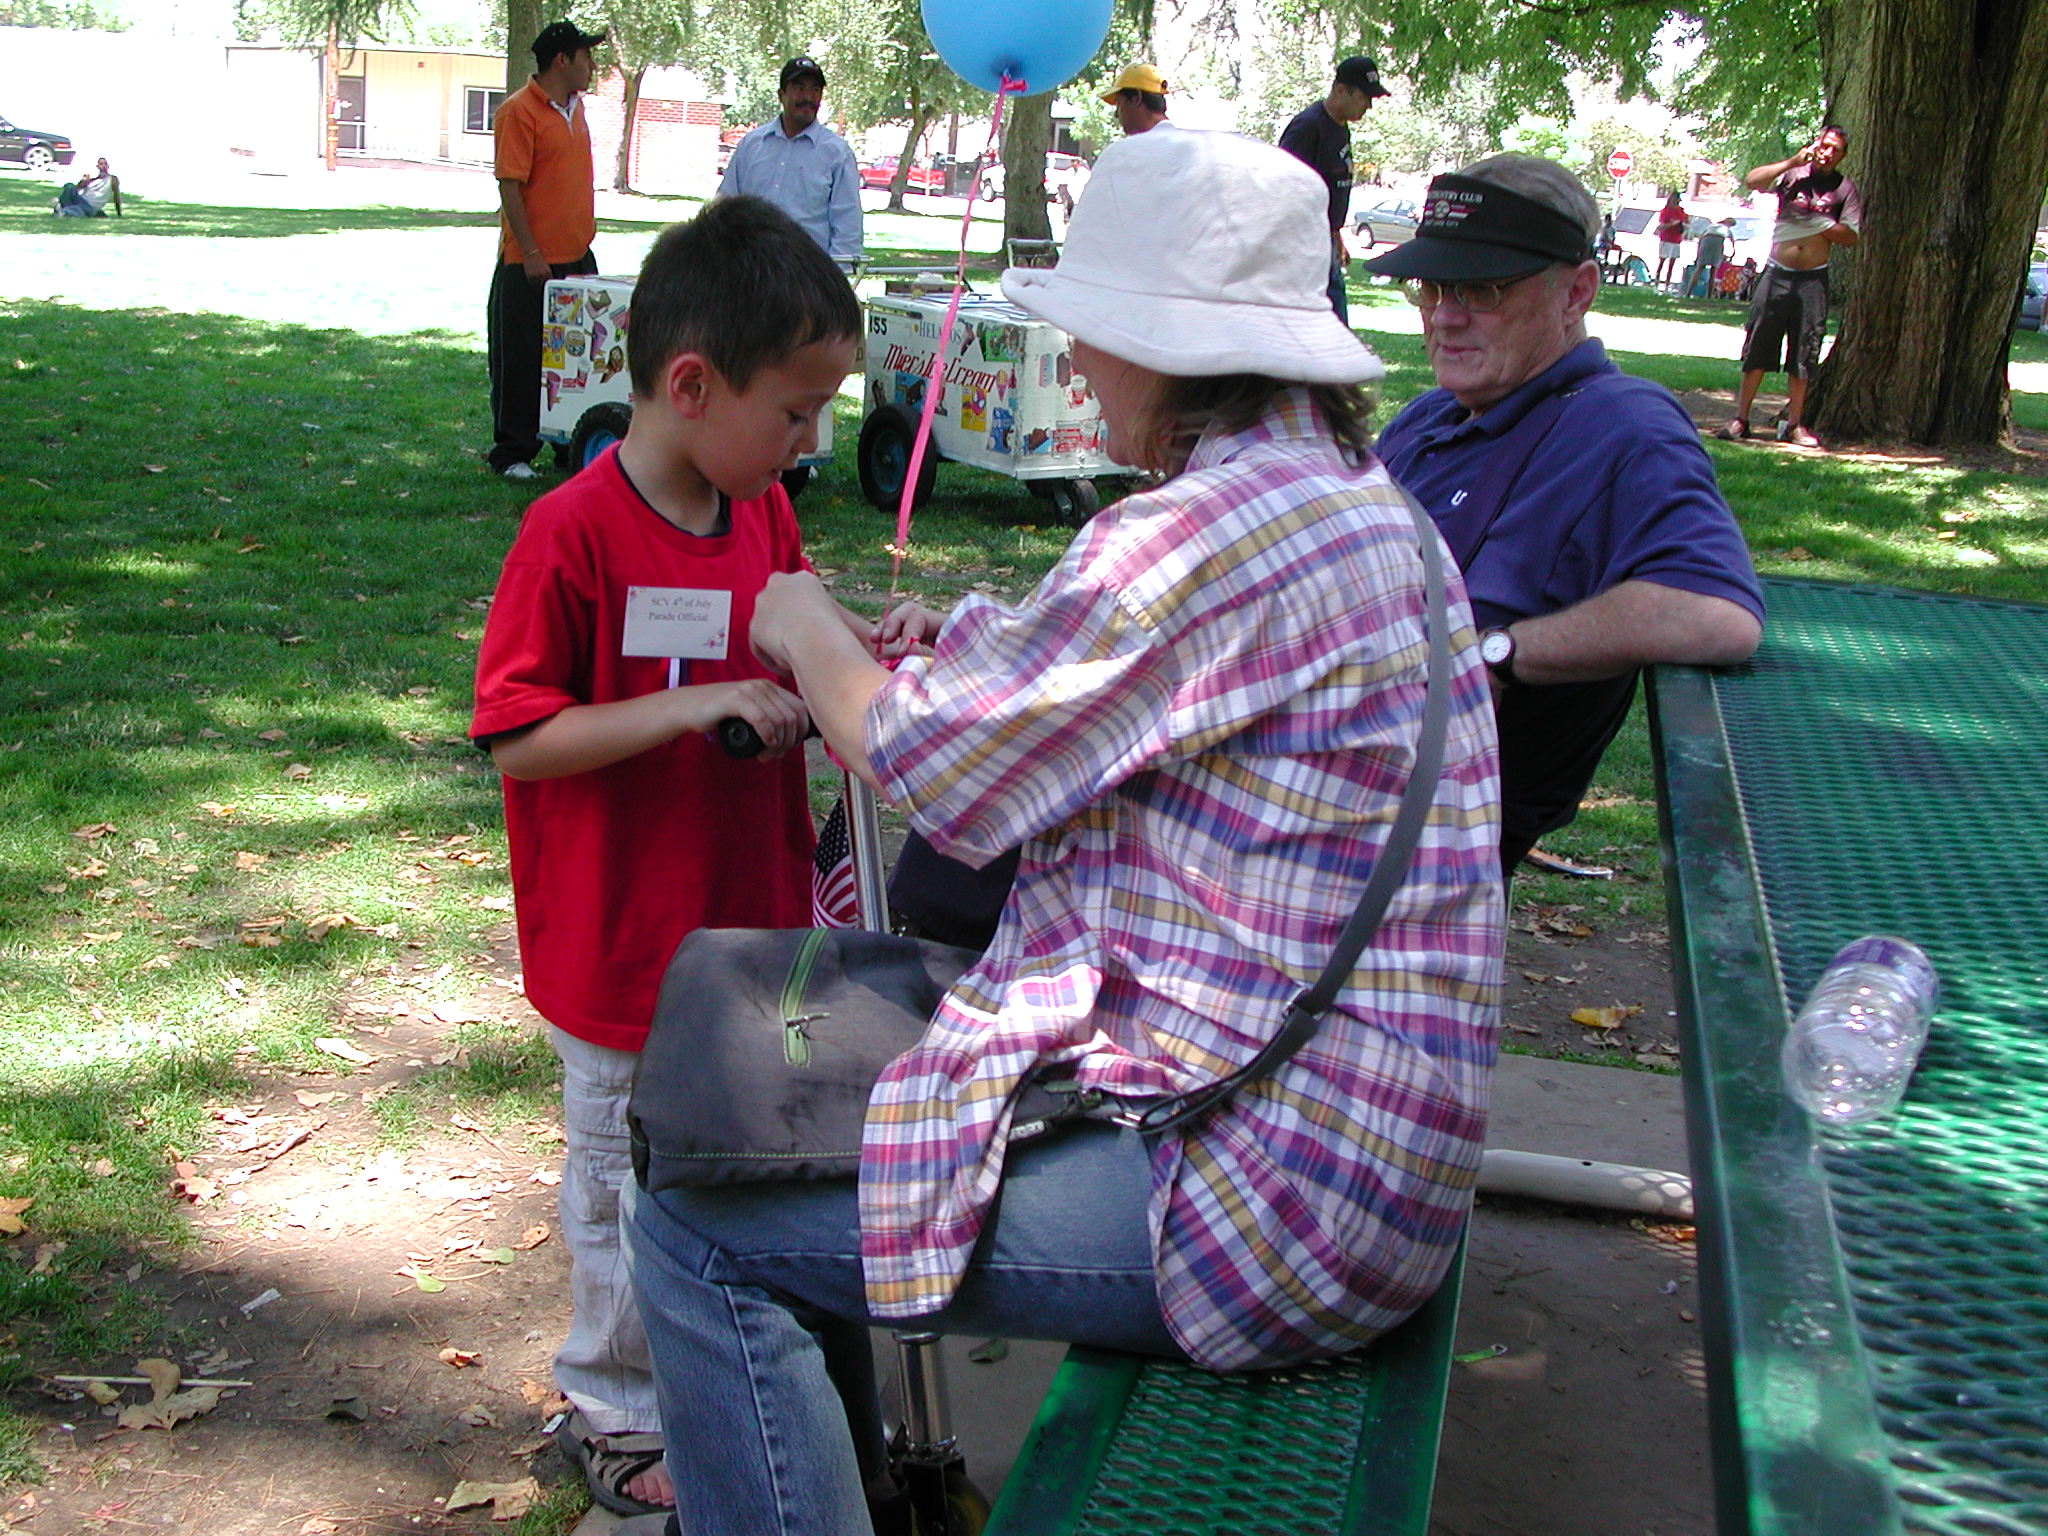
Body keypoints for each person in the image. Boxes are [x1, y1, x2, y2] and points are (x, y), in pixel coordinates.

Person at [622, 126, 1504, 1536]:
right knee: (785, 1149)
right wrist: (963, 641)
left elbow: (934, 771)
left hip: (1272, 1197)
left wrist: (800, 623)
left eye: (1094, 333)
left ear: (1171, 346)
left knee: (698, 1220)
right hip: (1365, 1139)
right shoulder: (1348, 501)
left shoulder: (1202, 535)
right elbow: (1131, 675)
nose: (1078, 364)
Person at [469, 196, 866, 1518]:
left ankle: (724, 1379)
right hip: (624, 956)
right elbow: (518, 736)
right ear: (691, 385)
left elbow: (789, 639)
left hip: (749, 939)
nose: (809, 441)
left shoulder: (761, 516)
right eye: (794, 412)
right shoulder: (572, 535)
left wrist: (855, 651)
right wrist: (687, 712)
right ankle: (614, 1408)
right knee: (623, 1194)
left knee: (732, 1178)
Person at [1364, 155, 1765, 876]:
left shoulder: (1623, 426)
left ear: (1577, 292)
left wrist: (1495, 654)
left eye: (1482, 289)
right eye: (1434, 287)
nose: (1445, 316)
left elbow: (1717, 614)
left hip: (1409, 838)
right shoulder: (1430, 417)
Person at [486, 20, 604, 481]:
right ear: (562, 60)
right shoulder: (519, 111)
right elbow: (510, 187)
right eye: (585, 56)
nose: (591, 65)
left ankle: (567, 441)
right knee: (521, 357)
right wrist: (531, 252)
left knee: (576, 357)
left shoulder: (577, 108)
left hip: (577, 256)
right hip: (530, 262)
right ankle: (512, 452)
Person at [1716, 126, 1862, 449]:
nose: (1828, 153)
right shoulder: (1792, 175)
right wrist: (1791, 161)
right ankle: (1741, 419)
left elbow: (1851, 236)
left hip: (1813, 281)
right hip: (1776, 275)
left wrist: (1820, 224)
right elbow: (1753, 181)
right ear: (1816, 144)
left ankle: (1794, 425)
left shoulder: (1844, 189)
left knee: (1805, 352)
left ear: (1843, 156)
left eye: (1836, 149)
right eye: (1825, 145)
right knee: (1757, 345)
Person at [719, 56, 862, 271]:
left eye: (815, 90)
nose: (808, 97)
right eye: (799, 88)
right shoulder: (751, 145)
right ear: (781, 94)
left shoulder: (837, 153)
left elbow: (848, 225)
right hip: (749, 272)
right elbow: (725, 209)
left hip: (806, 275)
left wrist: (838, 278)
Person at [1278, 54, 1390, 326]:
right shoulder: (1307, 127)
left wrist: (1336, 234)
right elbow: (1283, 187)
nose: (1369, 106)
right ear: (1341, 90)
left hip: (1325, 239)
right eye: (1364, 97)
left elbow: (1331, 186)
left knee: (1335, 314)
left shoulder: (1340, 129)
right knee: (1323, 318)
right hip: (1304, 243)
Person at [1100, 62, 1170, 136]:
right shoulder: (1178, 138)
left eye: (1118, 103)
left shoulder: (1129, 144)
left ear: (1136, 98)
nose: (1116, 114)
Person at [53, 157, 119, 218]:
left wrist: (119, 213)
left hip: (91, 207)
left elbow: (116, 197)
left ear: (108, 166)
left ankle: (62, 211)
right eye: (101, 164)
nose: (103, 166)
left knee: (79, 209)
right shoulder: (93, 179)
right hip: (81, 200)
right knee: (69, 186)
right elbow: (77, 188)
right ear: (97, 166)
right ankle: (63, 211)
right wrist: (83, 181)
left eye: (105, 164)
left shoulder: (113, 179)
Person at [1686, 217, 1732, 299]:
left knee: (1699, 269)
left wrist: (1698, 253)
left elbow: (1701, 238)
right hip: (1718, 242)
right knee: (1713, 272)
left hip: (1706, 240)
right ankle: (1709, 296)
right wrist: (1729, 256)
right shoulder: (1726, 229)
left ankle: (1688, 293)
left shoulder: (1710, 227)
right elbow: (1731, 243)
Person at [1653, 191, 1687, 290]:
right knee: (1662, 261)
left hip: (1676, 239)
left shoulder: (1681, 211)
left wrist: (1683, 225)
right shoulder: (1665, 211)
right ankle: (1656, 281)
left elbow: (1686, 222)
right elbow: (1661, 226)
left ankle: (1667, 284)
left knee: (1672, 264)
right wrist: (1672, 224)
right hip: (1666, 238)